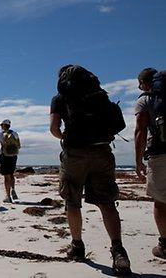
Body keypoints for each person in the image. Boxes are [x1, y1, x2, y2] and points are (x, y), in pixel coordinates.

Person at [50, 64, 131, 275]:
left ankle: (77, 246)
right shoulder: (99, 95)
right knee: (107, 203)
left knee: (72, 201)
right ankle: (118, 251)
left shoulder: (60, 98)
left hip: (74, 154)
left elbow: (54, 129)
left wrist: (66, 137)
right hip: (102, 151)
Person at [134, 67, 166, 259]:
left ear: (144, 83)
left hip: (161, 154)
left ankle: (165, 245)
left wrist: (138, 161)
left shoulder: (146, 100)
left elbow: (140, 131)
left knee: (161, 201)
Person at [0, 119, 21, 203]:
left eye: (1, 125)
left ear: (4, 125)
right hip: (14, 156)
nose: (1, 126)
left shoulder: (0, 135)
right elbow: (19, 146)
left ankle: (8, 196)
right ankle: (13, 189)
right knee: (11, 174)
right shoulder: (15, 134)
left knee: (6, 176)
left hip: (4, 156)